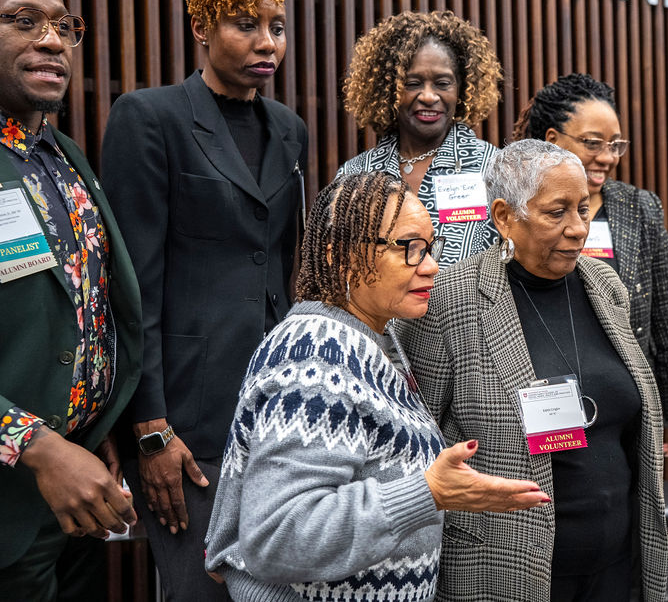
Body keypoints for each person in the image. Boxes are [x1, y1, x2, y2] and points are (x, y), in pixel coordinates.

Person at [205, 171, 549, 601]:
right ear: (339, 255)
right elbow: (278, 534)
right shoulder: (316, 351)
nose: (431, 266)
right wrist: (428, 493)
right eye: (408, 248)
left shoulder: (373, 337)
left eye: (430, 247)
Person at [100, 0, 307, 600]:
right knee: (200, 589)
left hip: (277, 412)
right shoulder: (150, 117)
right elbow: (132, 288)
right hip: (188, 423)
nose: (265, 40)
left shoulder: (289, 128)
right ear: (200, 28)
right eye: (245, 23)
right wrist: (151, 429)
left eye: (275, 25)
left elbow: (284, 269)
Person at [399, 139, 668, 602]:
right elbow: (417, 441)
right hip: (505, 567)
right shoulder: (450, 301)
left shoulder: (605, 285)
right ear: (504, 216)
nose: (577, 229)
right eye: (556, 212)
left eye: (583, 209)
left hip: (618, 562)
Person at [0, 0, 142, 599]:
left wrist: (99, 422)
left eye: (64, 26)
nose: (52, 40)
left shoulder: (62, 155)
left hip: (78, 491)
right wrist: (36, 445)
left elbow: (82, 309)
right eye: (22, 21)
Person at [513, 73, 668, 455]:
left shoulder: (640, 208)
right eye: (593, 143)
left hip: (625, 396)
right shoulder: (519, 207)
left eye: (616, 144)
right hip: (542, 397)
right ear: (552, 141)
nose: (607, 157)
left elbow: (665, 310)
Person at [338, 10, 501, 267]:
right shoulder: (356, 174)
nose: (428, 96)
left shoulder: (495, 168)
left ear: (461, 90)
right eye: (413, 83)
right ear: (388, 90)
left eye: (442, 83)